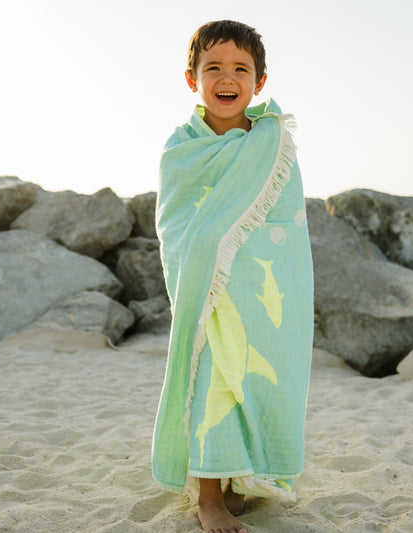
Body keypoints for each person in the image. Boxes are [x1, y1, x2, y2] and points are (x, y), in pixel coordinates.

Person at [152, 20, 314, 533]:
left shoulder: (271, 143)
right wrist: (209, 253)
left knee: (256, 378)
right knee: (211, 380)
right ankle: (208, 498)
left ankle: (239, 478)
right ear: (192, 79)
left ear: (259, 82)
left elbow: (286, 223)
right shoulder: (182, 148)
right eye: (213, 68)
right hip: (209, 290)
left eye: (241, 69)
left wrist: (245, 259)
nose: (227, 78)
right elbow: (179, 224)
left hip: (259, 288)